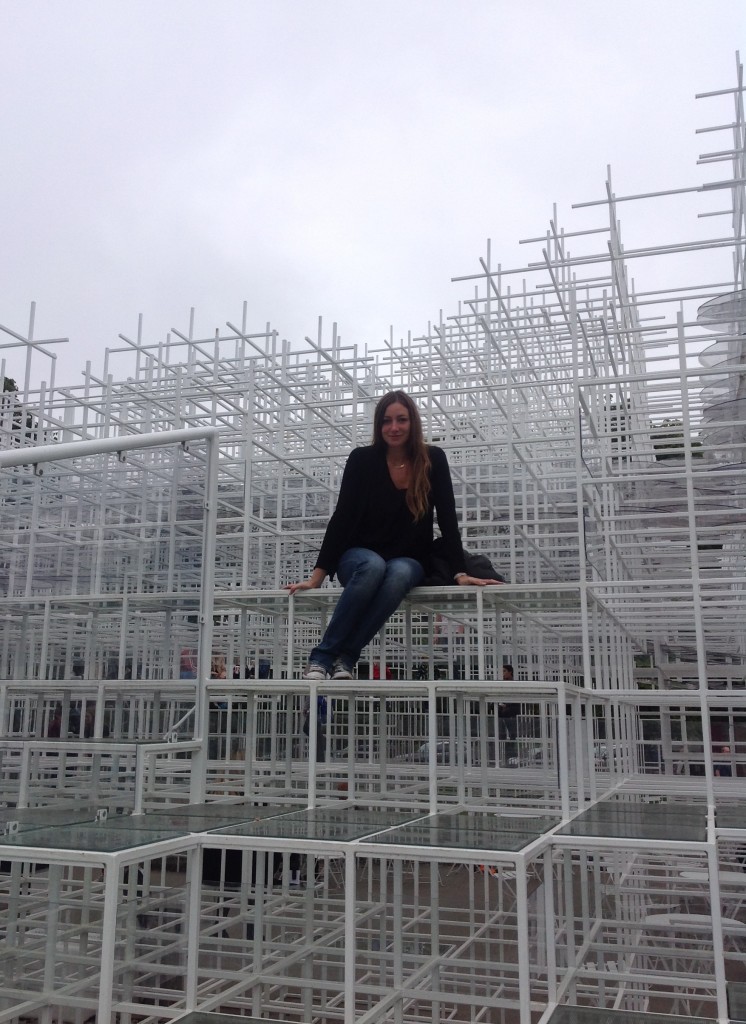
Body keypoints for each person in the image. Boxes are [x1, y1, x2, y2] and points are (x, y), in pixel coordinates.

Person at [285, 390, 502, 679]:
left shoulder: (432, 459)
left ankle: (346, 658)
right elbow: (343, 517)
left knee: (397, 573)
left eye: (401, 419)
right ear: (379, 425)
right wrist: (318, 575)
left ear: (413, 422)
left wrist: (459, 571)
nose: (394, 427)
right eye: (387, 421)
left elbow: (448, 517)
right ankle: (323, 658)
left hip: (409, 559)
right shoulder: (362, 459)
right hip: (358, 557)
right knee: (373, 566)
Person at [498, 664, 521, 764]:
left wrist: (506, 706)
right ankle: (504, 756)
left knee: (512, 735)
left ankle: (512, 756)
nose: (502, 674)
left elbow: (516, 700)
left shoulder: (514, 684)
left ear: (510, 672)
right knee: (501, 736)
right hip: (502, 714)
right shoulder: (500, 684)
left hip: (511, 714)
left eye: (504, 671)